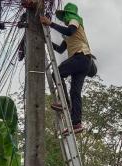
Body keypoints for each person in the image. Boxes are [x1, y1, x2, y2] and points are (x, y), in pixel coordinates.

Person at [40, 3, 93, 134]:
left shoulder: (75, 21)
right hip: (83, 63)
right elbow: (60, 49)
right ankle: (76, 123)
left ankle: (64, 102)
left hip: (81, 57)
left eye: (65, 15)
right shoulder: (70, 33)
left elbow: (69, 30)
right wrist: (45, 40)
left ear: (69, 14)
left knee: (57, 73)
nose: (64, 19)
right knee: (75, 92)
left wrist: (50, 23)